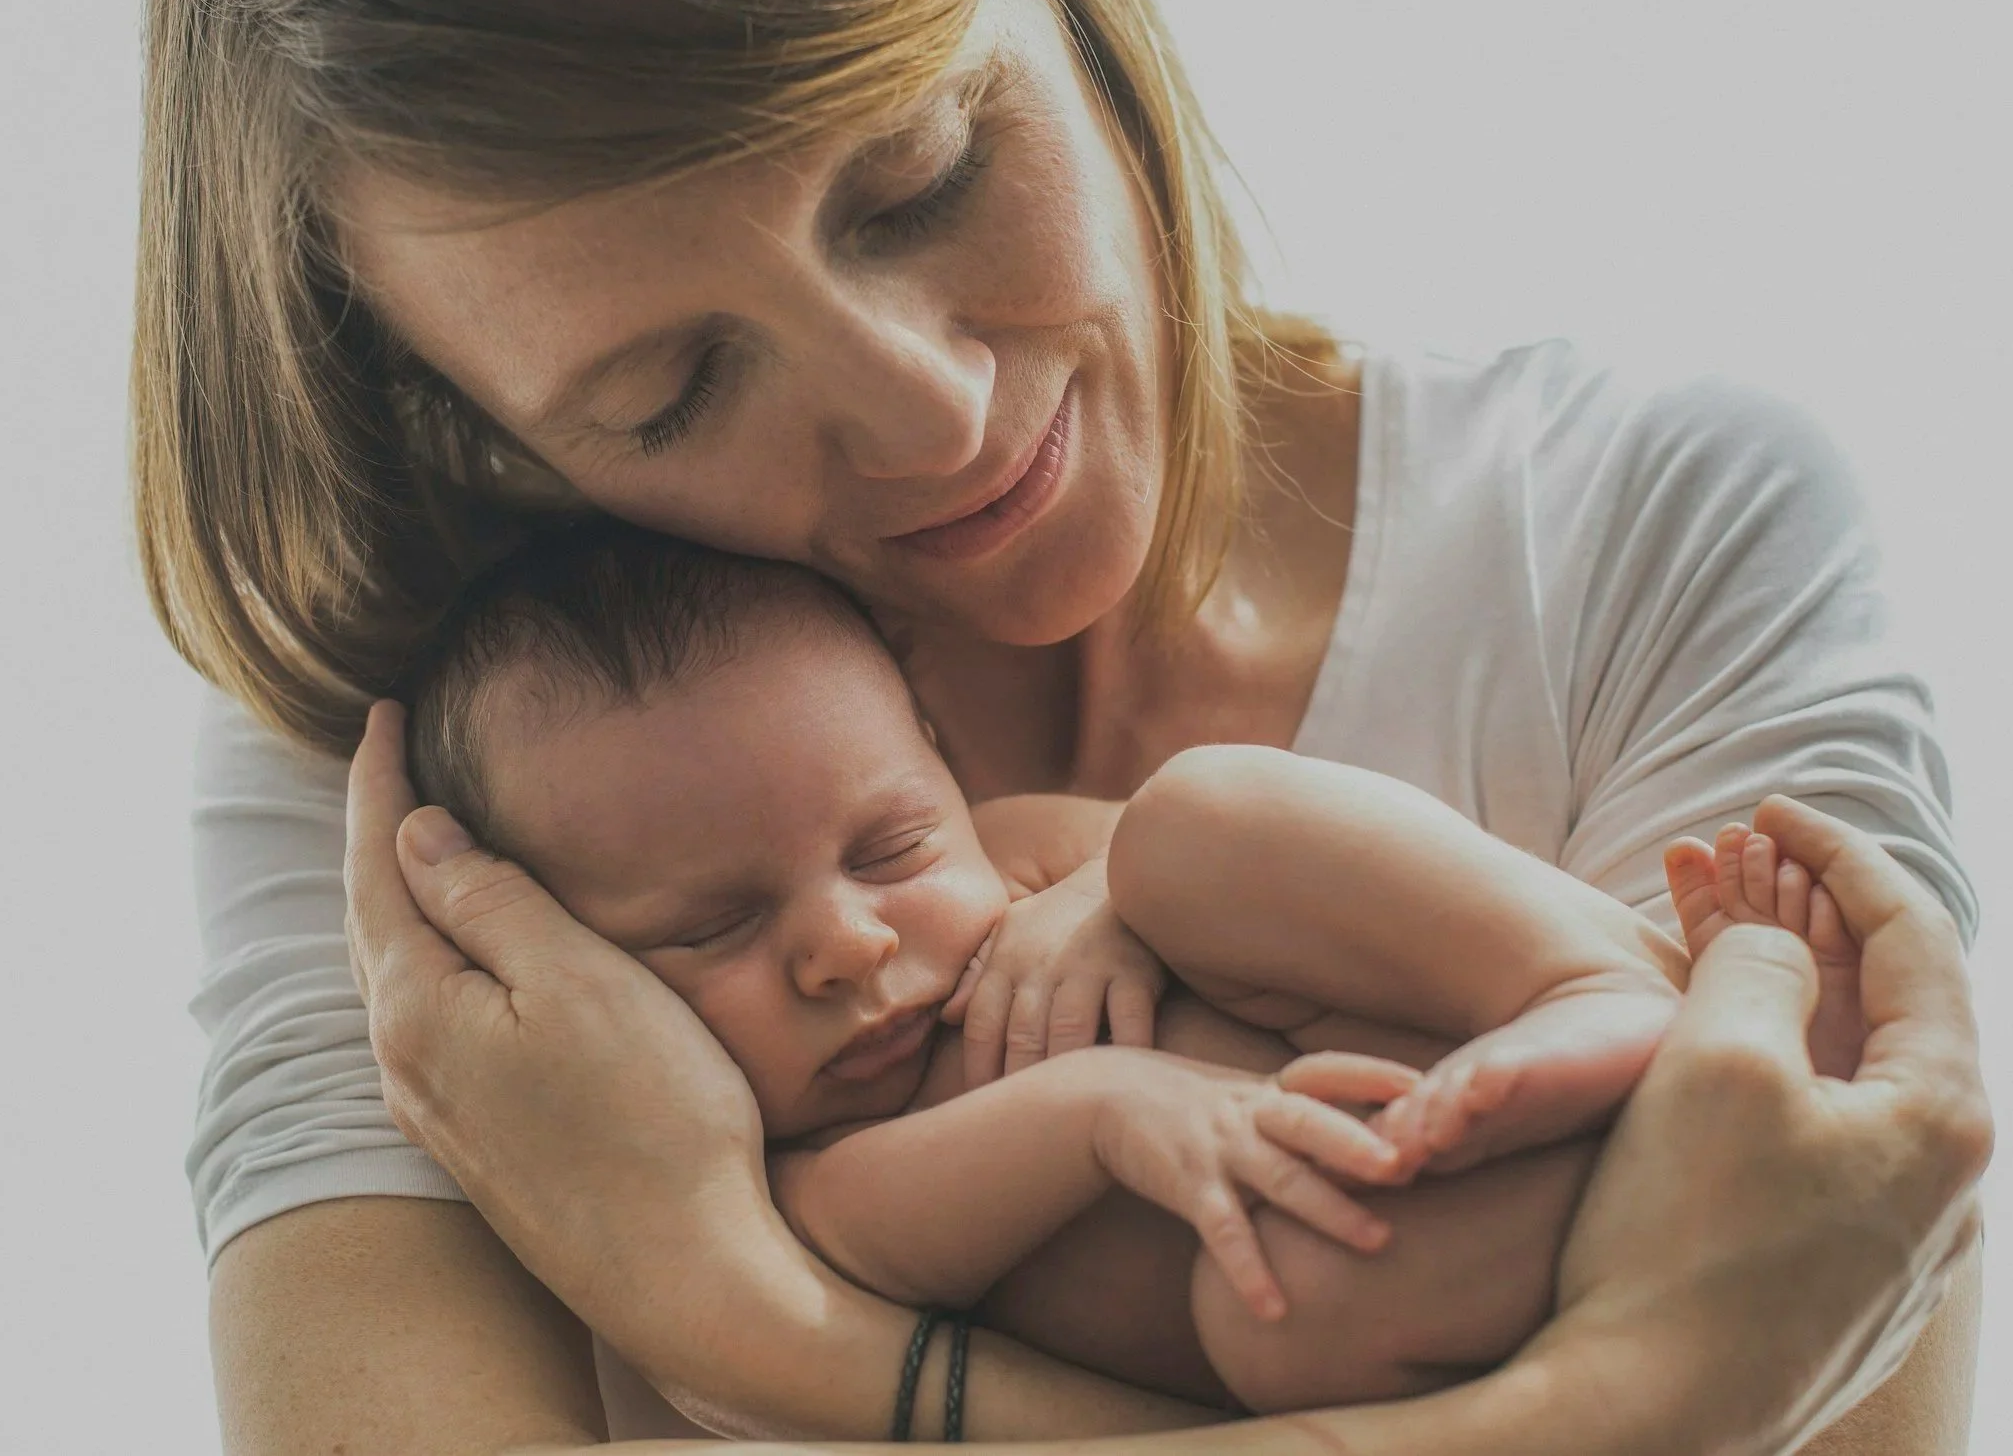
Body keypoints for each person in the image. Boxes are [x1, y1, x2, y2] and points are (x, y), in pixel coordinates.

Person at [134, 0, 1989, 1447]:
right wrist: (1629, 1399)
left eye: (926, 173)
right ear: (474, 425)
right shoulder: (449, 786)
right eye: (669, 390)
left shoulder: (1634, 530)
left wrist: (754, 1326)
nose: (933, 412)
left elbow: (1822, 1291)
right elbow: (1727, 1333)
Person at [397, 519, 1696, 1410]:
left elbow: (1222, 865)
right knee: (1284, 1312)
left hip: (1446, 1048)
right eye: (712, 928)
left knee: (1196, 822)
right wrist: (1108, 1108)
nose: (850, 941)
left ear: (938, 755)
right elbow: (878, 1245)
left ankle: (1584, 985)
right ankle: (1631, 1145)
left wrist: (1101, 897)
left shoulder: (1016, 850)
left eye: (892, 846)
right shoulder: (779, 1181)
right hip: (1411, 1247)